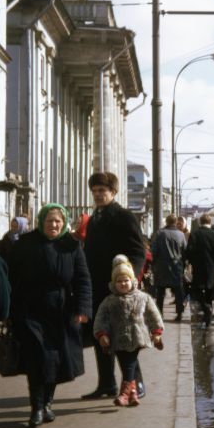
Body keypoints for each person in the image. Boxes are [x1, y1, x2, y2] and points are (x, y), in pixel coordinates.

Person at [8, 204, 91, 428]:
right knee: (37, 358)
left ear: (63, 223)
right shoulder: (25, 244)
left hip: (61, 311)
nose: (54, 225)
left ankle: (47, 404)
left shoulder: (72, 246)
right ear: (41, 221)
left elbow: (82, 280)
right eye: (49, 221)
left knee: (54, 360)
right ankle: (36, 408)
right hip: (29, 309)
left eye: (58, 221)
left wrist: (83, 310)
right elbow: (10, 275)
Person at [82, 172, 147, 401]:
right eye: (95, 191)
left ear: (113, 192)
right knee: (102, 336)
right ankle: (106, 384)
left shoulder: (123, 216)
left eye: (103, 191)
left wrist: (129, 279)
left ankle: (135, 384)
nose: (99, 195)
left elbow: (138, 252)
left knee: (124, 338)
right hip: (98, 288)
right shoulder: (95, 219)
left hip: (119, 289)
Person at [94, 255, 164, 407]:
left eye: (126, 280)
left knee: (129, 363)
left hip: (136, 337)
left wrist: (157, 332)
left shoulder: (143, 297)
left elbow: (154, 315)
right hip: (117, 339)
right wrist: (102, 334)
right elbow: (101, 319)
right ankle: (132, 394)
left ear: (132, 281)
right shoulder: (109, 301)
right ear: (114, 283)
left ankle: (124, 394)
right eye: (119, 281)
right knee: (125, 363)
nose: (123, 284)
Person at [185, 213, 214, 329]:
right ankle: (208, 319)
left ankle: (206, 309)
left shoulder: (195, 234)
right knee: (209, 292)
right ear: (210, 222)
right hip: (213, 268)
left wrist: (190, 263)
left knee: (196, 290)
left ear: (201, 222)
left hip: (198, 267)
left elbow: (189, 251)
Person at [151, 215, 186, 321]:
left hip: (161, 267)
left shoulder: (159, 234)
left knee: (160, 292)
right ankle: (179, 313)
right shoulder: (181, 234)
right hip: (176, 267)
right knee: (178, 291)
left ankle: (160, 314)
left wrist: (154, 264)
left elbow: (154, 251)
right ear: (175, 222)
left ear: (166, 222)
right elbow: (185, 250)